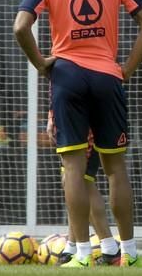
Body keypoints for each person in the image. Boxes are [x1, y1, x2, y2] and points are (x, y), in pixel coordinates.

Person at [13, 0, 142, 268]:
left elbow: (20, 28)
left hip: (67, 75)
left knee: (74, 169)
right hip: (108, 76)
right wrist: (126, 69)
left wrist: (42, 63)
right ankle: (130, 253)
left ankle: (80, 254)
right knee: (115, 169)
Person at [46, 113, 120, 266]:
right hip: (69, 118)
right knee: (70, 182)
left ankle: (109, 249)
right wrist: (52, 116)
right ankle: (72, 248)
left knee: (82, 182)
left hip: (83, 119)